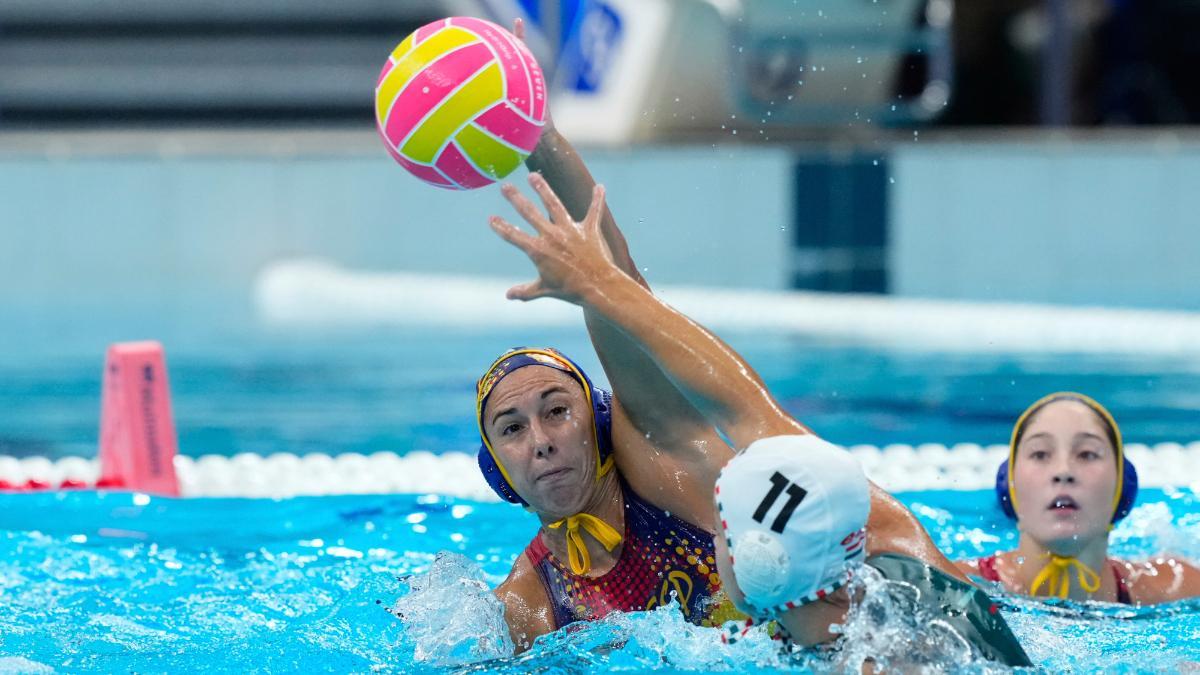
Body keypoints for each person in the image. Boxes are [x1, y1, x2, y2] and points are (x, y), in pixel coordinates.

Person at [486, 174, 1033, 667]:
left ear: (751, 575)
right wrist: (597, 285)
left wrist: (600, 284)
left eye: (722, 526)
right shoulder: (893, 545)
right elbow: (749, 411)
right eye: (511, 428)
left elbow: (740, 409)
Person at [481, 21, 745, 653]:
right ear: (496, 469)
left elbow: (618, 290)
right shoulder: (526, 597)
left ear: (598, 422)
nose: (541, 443)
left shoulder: (663, 472)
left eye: (556, 411)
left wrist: (536, 133)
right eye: (512, 429)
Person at [957, 392, 1200, 604]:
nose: (1063, 471)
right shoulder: (954, 585)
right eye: (1040, 454)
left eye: (1087, 454)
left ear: (1122, 488)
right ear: (1009, 489)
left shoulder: (1178, 588)